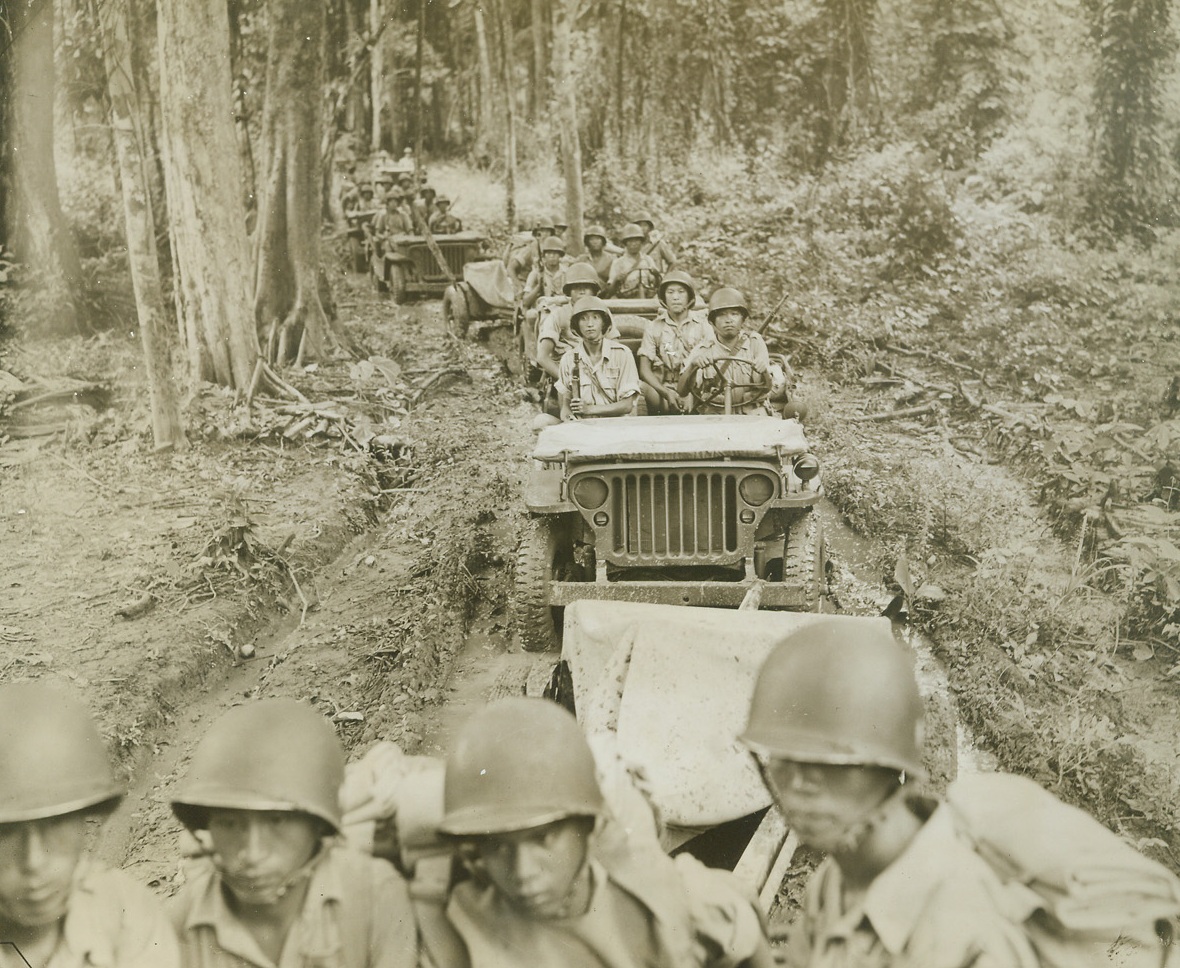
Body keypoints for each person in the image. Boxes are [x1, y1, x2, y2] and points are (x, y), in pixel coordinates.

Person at [738, 621, 1040, 968]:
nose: (799, 784)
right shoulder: (834, 883)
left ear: (890, 768)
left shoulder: (972, 931)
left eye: (830, 762)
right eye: (784, 759)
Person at [415, 697, 770, 968]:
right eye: (500, 848)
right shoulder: (458, 925)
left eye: (542, 840)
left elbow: (743, 929)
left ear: (590, 827)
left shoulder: (666, 905)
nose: (523, 872)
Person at [170, 698, 417, 968]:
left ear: (318, 825)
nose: (252, 853)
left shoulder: (374, 896)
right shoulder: (179, 925)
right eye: (230, 824)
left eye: (277, 821)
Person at [0, 680, 179, 968]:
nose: (34, 861)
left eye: (55, 826)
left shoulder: (125, 912)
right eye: (5, 833)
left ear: (85, 822)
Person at [679, 288, 772, 414]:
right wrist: (692, 366)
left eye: (734, 314)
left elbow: (767, 388)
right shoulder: (703, 350)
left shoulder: (755, 342)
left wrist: (763, 370)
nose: (729, 320)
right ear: (712, 322)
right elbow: (681, 391)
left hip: (750, 411)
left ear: (743, 320)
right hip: (716, 413)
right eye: (722, 315)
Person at [637, 269, 711, 414]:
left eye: (681, 292)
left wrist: (692, 394)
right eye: (670, 292)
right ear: (663, 297)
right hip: (664, 388)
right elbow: (644, 369)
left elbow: (711, 365)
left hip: (696, 388)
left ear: (690, 296)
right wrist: (666, 393)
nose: (675, 297)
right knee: (639, 388)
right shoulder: (653, 327)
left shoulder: (703, 325)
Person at [557, 296, 641, 421]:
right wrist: (569, 420)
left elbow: (627, 405)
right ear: (577, 325)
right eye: (583, 319)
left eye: (595, 318)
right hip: (583, 426)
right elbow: (566, 405)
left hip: (616, 425)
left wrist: (589, 409)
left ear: (604, 322)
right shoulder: (568, 359)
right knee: (541, 422)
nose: (590, 324)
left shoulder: (622, 354)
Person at [604, 224, 659, 299]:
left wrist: (656, 274)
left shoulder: (648, 260)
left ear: (641, 242)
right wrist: (617, 279)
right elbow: (610, 290)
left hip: (647, 298)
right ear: (625, 243)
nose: (633, 244)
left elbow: (657, 285)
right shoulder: (618, 263)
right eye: (630, 241)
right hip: (625, 300)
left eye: (636, 240)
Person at [522, 236, 567, 310]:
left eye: (555, 253)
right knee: (531, 315)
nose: (552, 256)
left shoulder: (567, 272)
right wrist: (538, 286)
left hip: (562, 308)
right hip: (542, 310)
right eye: (549, 253)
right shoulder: (536, 274)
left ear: (560, 255)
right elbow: (525, 301)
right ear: (544, 255)